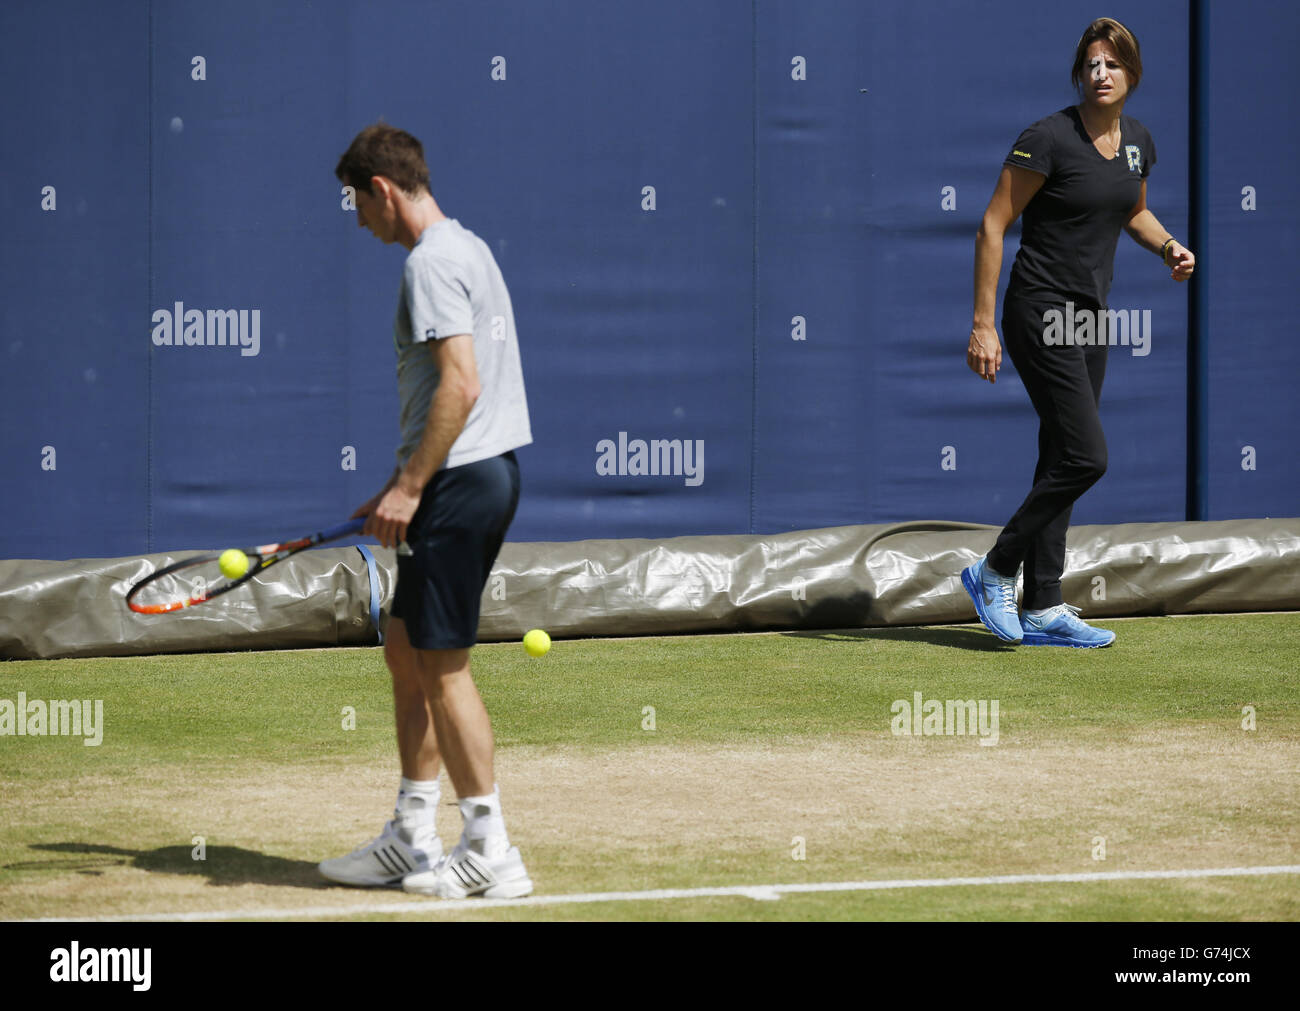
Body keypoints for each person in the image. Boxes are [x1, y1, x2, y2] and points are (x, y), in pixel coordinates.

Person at [318, 123, 535, 897]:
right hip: (468, 473)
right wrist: (401, 479)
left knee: (443, 669)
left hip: (461, 483)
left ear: (382, 189)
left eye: (356, 204)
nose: (358, 222)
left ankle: (491, 849)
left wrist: (414, 487)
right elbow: (450, 401)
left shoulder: (431, 264)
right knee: (406, 649)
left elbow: (461, 385)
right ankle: (413, 833)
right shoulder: (467, 248)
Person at [962, 18, 1194, 647]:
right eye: (1091, 64)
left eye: (1112, 64)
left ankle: (1040, 603)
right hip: (1039, 311)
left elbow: (1134, 209)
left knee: (1061, 456)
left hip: (1091, 318)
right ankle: (994, 571)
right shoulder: (1047, 138)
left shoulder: (1139, 141)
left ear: (1132, 74)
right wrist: (984, 326)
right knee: (1088, 457)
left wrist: (1168, 246)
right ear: (1079, 74)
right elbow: (992, 224)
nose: (1101, 74)